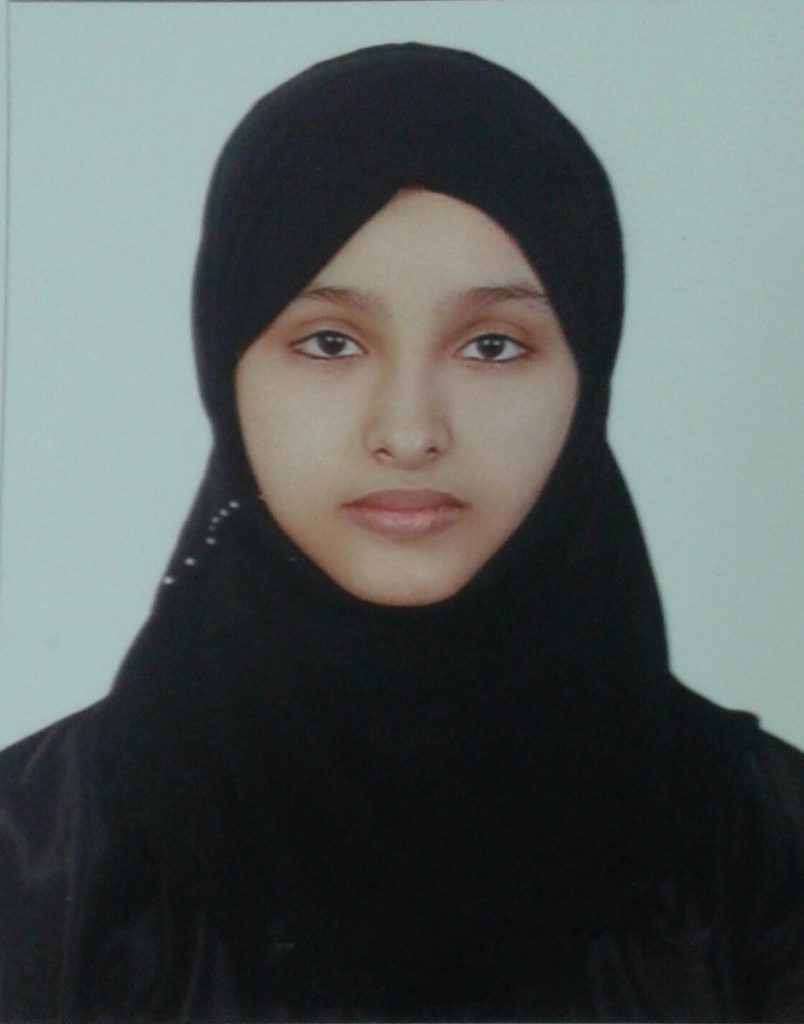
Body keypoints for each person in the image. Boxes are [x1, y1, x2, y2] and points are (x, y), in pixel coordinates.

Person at [1, 41, 802, 1022]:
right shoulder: (36, 855)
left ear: (586, 375)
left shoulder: (763, 850)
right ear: (227, 368)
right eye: (330, 341)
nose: (412, 431)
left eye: (493, 345)